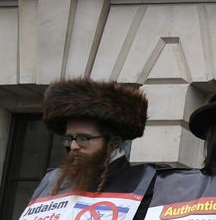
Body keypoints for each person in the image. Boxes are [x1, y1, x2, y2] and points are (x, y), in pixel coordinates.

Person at [29, 77, 156, 220]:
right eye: (69, 139)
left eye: (83, 139)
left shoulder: (144, 186)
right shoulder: (50, 183)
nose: (73, 146)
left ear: (114, 142)